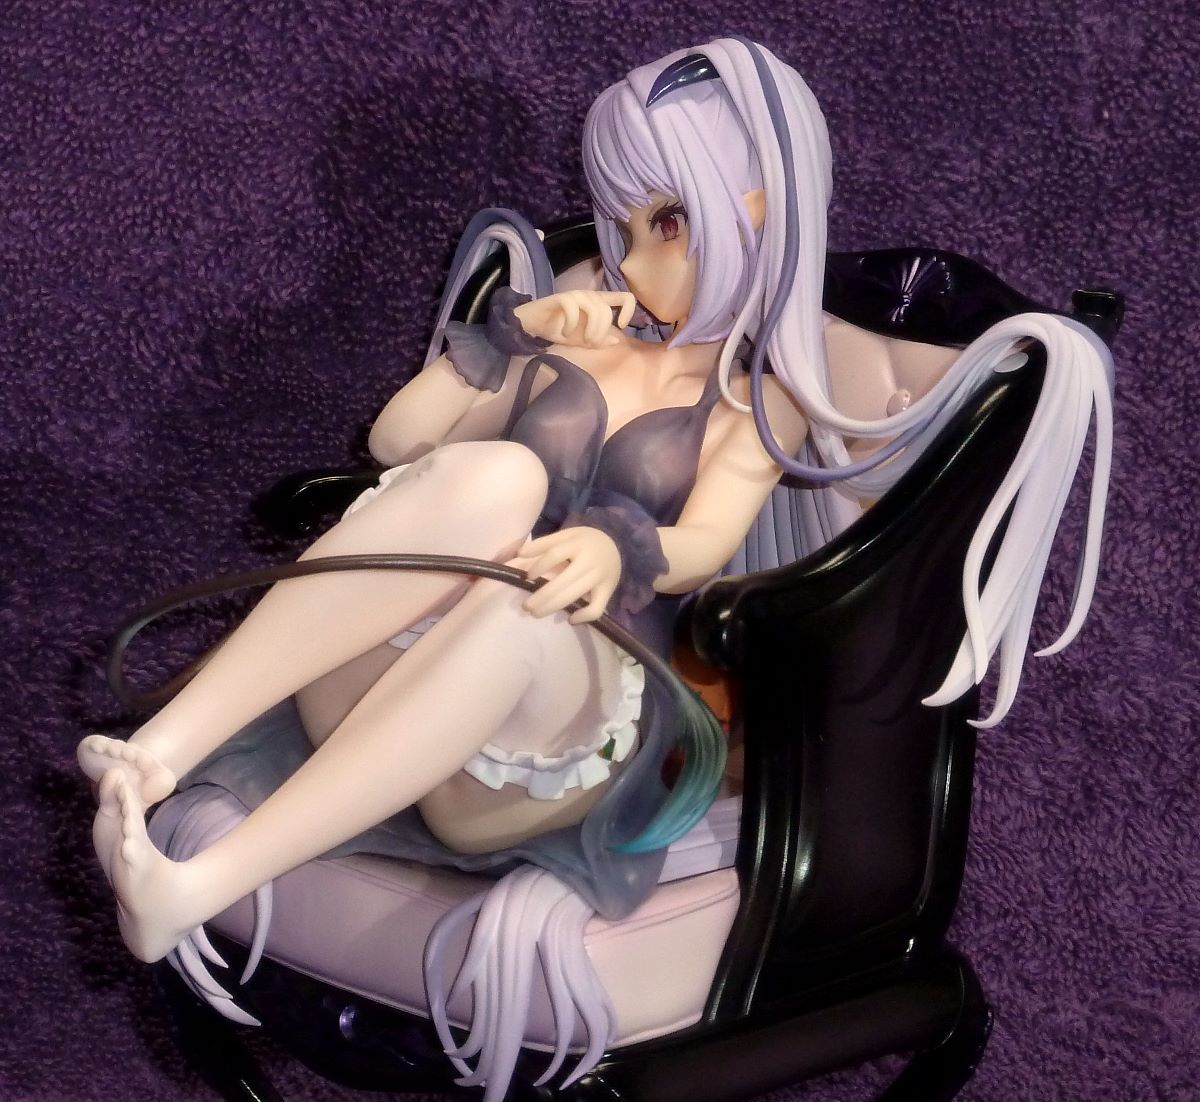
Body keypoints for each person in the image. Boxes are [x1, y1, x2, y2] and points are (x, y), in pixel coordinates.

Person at [77, 38, 1114, 978]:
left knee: (517, 612)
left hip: (555, 722)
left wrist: (620, 546)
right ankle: (159, 750)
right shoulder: (582, 312)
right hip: (389, 686)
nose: (637, 259)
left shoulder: (758, 399)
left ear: (757, 209)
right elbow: (397, 448)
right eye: (623, 223)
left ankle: (194, 889)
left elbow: (707, 542)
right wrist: (512, 336)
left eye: (667, 222)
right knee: (499, 478)